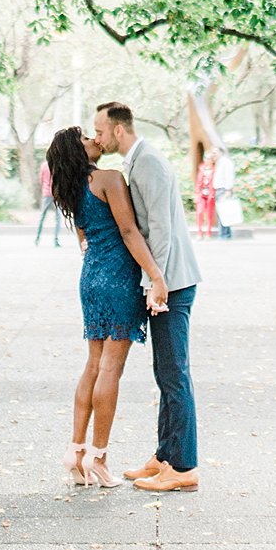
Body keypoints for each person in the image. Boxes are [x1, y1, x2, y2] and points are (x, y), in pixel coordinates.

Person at [46, 127, 168, 490]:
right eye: (86, 137)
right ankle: (99, 458)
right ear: (76, 150)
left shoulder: (67, 189)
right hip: (118, 279)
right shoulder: (109, 179)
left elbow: (85, 239)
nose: (94, 140)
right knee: (111, 368)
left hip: (91, 278)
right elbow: (129, 232)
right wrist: (155, 275)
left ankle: (76, 451)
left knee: (94, 365)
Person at [94, 100, 201, 493]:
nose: (98, 137)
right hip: (163, 281)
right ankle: (164, 456)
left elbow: (161, 228)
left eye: (101, 131)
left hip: (171, 283)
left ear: (119, 130)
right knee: (165, 372)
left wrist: (156, 283)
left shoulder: (149, 162)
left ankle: (185, 466)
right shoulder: (136, 162)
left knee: (175, 373)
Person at [35, 157, 61, 247]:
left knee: (42, 217)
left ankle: (37, 239)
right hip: (55, 194)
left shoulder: (43, 165)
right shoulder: (57, 165)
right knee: (58, 218)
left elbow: (41, 180)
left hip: (46, 194)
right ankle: (56, 240)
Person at [194, 150, 217, 241]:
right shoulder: (202, 169)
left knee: (209, 215)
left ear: (212, 160)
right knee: (199, 213)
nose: (207, 160)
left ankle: (208, 233)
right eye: (206, 158)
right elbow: (198, 183)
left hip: (211, 195)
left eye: (209, 158)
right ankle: (199, 233)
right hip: (201, 195)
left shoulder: (215, 170)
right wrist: (197, 194)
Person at [214, 150, 236, 240]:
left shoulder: (225, 162)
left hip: (223, 190)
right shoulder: (220, 162)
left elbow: (229, 177)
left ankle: (224, 235)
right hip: (219, 190)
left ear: (220, 152)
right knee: (222, 213)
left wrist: (228, 190)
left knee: (224, 213)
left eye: (215, 152)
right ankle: (225, 234)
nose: (213, 154)